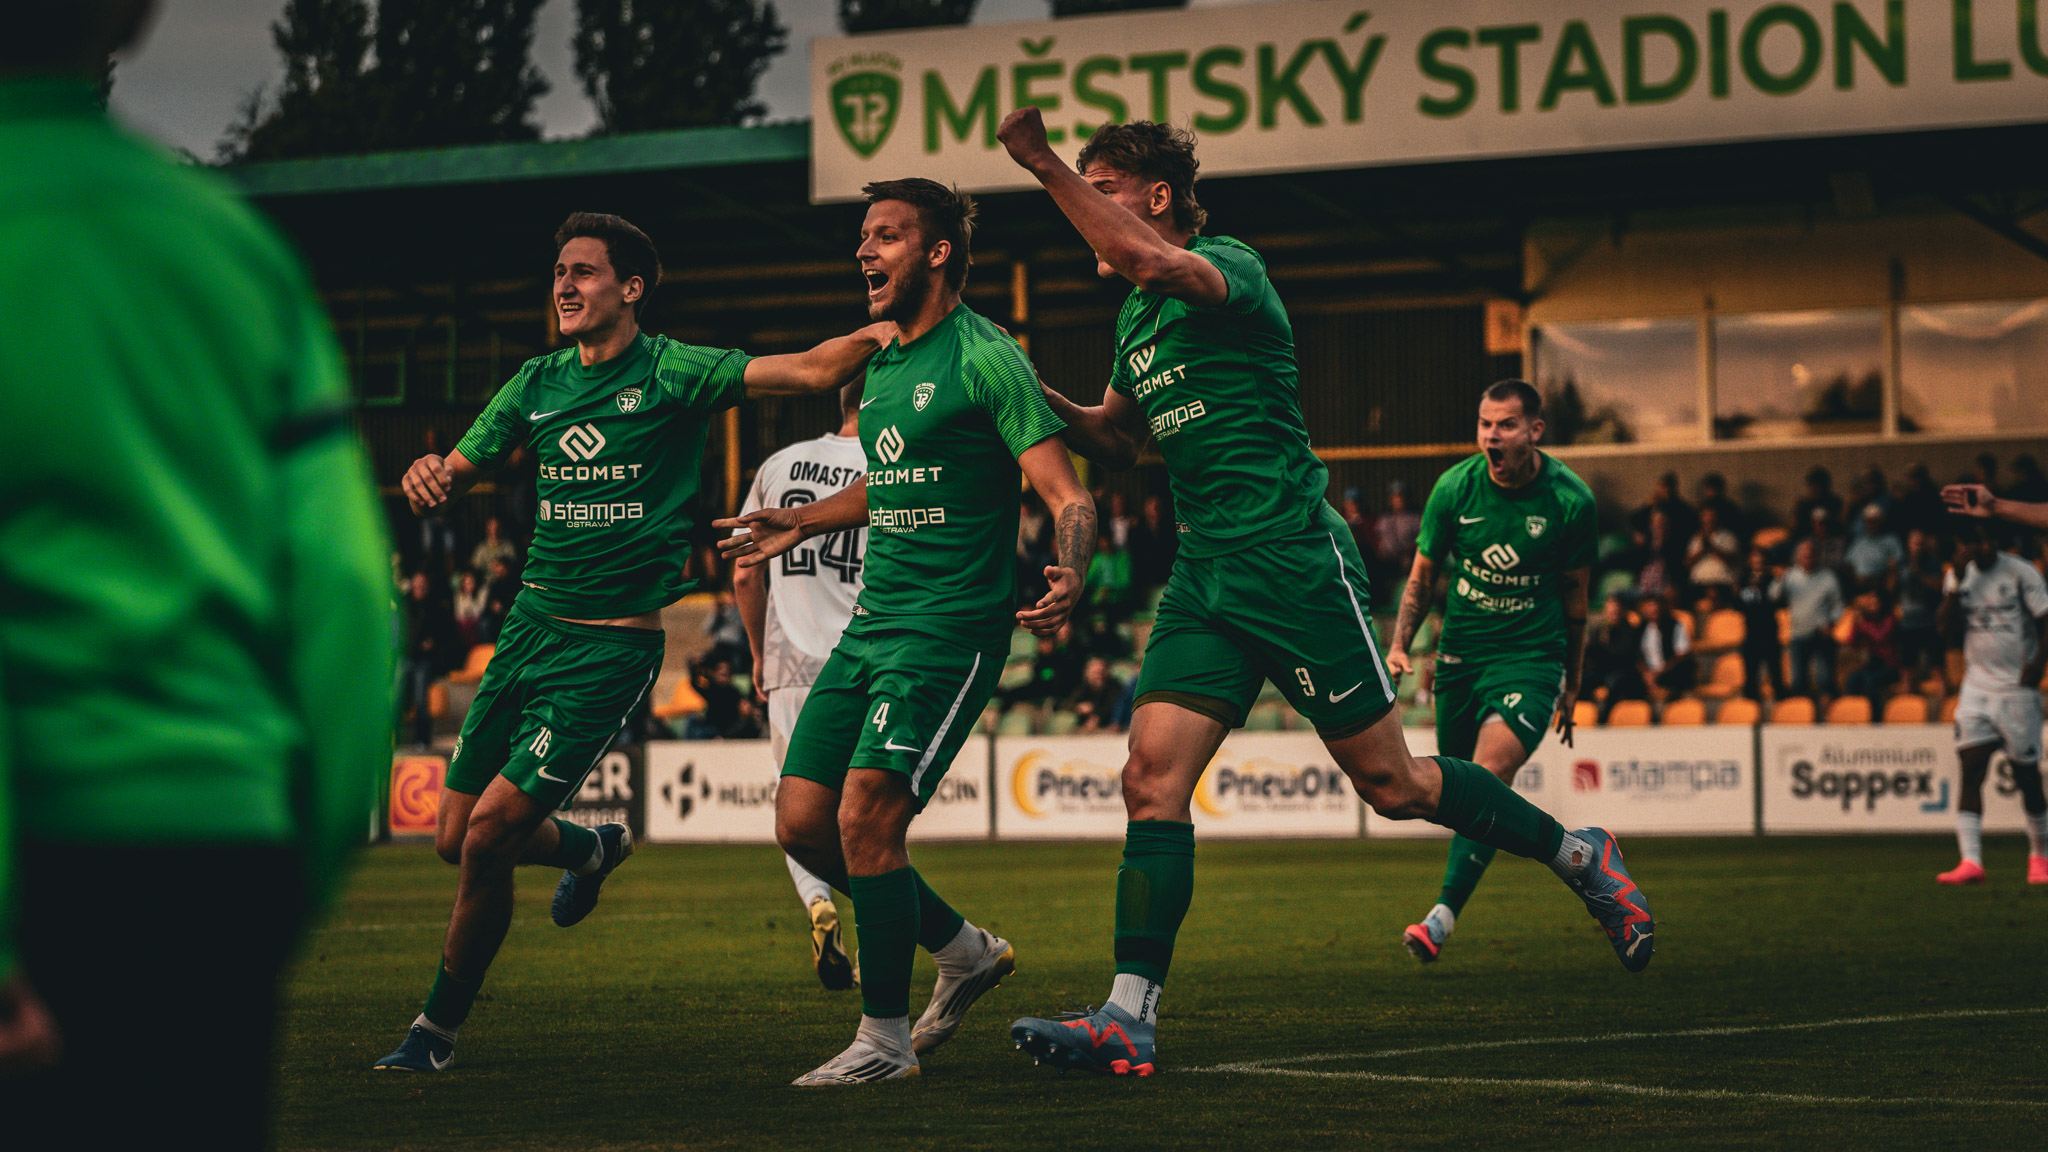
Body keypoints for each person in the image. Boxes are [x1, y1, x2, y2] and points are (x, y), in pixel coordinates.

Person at [995, 112, 1652, 1078]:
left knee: (1397, 787)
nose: (1087, 203)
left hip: (1295, 560)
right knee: (1151, 780)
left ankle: (1580, 856)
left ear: (1159, 196)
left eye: (1104, 185)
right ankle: (1127, 1016)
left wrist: (1043, 162)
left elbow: (1146, 261)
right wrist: (1026, 384)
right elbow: (1119, 441)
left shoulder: (1227, 267)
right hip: (1207, 577)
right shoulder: (1135, 320)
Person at [0, 5, 394, 1145]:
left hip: (41, 836)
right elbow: (341, 596)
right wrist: (280, 887)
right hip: (210, 859)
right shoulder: (233, 252)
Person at [375, 211, 886, 1073]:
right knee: (453, 834)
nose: (565, 286)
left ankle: (435, 1034)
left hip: (609, 648)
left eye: (583, 272)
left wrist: (899, 323)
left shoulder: (676, 370)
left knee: (493, 832)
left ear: (631, 288)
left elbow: (811, 368)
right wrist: (429, 479)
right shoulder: (535, 382)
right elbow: (453, 471)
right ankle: (588, 845)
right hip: (530, 629)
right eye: (559, 274)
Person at [720, 177, 1096, 1086]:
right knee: (803, 825)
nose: (864, 252)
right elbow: (896, 484)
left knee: (866, 819)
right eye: (862, 237)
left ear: (936, 253)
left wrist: (1073, 568)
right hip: (871, 627)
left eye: (884, 236)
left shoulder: (988, 357)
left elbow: (1066, 492)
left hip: (947, 633)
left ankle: (883, 1041)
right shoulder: (881, 364)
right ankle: (964, 951)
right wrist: (803, 522)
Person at [1385, 382, 1597, 962]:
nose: (1491, 437)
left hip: (1531, 658)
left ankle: (1440, 917)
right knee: (1454, 797)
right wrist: (1402, 645)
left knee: (1488, 772)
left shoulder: (1571, 501)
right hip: (1460, 655)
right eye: (1484, 424)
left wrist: (1571, 682)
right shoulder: (1456, 488)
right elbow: (1423, 579)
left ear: (1534, 431)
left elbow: (1576, 602)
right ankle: (1564, 857)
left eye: (1504, 425)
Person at [732, 381, 868, 991]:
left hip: (790, 661)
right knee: (866, 809)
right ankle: (890, 921)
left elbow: (743, 569)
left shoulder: (777, 465)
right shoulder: (892, 458)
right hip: (867, 652)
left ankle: (818, 901)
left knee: (796, 807)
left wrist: (761, 653)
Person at [1934, 522, 2048, 885]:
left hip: (2017, 690)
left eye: (1981, 541)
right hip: (1976, 689)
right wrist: (1954, 582)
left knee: (2027, 777)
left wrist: (2038, 664)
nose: (1976, 548)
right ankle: (1971, 862)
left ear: (1994, 541)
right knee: (1971, 769)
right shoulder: (1958, 577)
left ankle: (2040, 859)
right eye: (1968, 542)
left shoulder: (2020, 572)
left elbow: (2046, 621)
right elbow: (1944, 631)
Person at [1774, 538, 1844, 701]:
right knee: (1798, 681)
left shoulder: (1828, 577)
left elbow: (1839, 604)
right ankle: (1803, 717)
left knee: (1825, 680)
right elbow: (1774, 596)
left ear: (1817, 556)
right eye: (1804, 555)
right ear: (1798, 556)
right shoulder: (1791, 576)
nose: (1808, 557)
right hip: (1798, 634)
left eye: (1811, 554)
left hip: (1822, 634)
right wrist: (1780, 579)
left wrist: (1832, 622)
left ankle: (1828, 717)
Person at [1734, 549, 1785, 701]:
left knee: (1776, 673)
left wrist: (1761, 590)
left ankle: (1782, 707)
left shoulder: (1772, 579)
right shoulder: (1743, 580)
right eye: (1754, 559)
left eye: (1760, 560)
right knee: (1750, 675)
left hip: (1769, 631)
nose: (1758, 563)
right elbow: (1738, 605)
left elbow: (1777, 602)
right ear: (1749, 561)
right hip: (1751, 632)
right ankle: (1752, 707)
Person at [1588, 593, 1649, 719]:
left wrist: (1603, 649)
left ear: (1623, 611)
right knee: (1583, 680)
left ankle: (1604, 719)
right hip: (1602, 670)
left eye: (1616, 611)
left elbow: (1625, 656)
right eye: (1610, 611)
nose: (1613, 614)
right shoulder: (1599, 631)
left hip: (1623, 672)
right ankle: (1580, 716)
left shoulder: (1630, 631)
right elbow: (1591, 654)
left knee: (1614, 681)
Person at [1842, 590, 1901, 712]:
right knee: (1852, 679)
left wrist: (1862, 623)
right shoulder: (1866, 622)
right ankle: (1854, 713)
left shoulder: (1890, 619)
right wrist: (1855, 624)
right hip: (1873, 665)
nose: (1872, 607)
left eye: (1875, 603)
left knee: (1870, 681)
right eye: (1870, 604)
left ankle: (1875, 717)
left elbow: (1880, 636)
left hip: (1890, 667)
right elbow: (1852, 643)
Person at [1637, 594, 1696, 699]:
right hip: (1648, 673)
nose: (1654, 609)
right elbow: (1636, 655)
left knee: (1684, 667)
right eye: (1650, 606)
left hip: (1668, 670)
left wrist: (1659, 672)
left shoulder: (1675, 626)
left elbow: (1681, 655)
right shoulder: (1641, 628)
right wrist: (1646, 674)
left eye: (1656, 606)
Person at [1685, 504, 1742, 603]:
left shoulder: (1728, 537)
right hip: (1699, 584)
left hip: (1721, 584)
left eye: (1711, 515)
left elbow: (1731, 561)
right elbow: (1687, 563)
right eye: (1705, 515)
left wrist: (1711, 548)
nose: (1708, 519)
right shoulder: (1696, 538)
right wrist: (1702, 549)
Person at [1844, 504, 1904, 592]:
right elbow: (1848, 564)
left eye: (1874, 521)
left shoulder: (1891, 539)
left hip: (1880, 583)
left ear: (1881, 521)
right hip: (1858, 584)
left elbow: (1896, 565)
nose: (1870, 525)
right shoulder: (1858, 541)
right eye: (1868, 521)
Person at [1069, 656, 1129, 733]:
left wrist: (1097, 716)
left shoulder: (1115, 687)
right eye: (1095, 673)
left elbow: (1113, 706)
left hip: (1110, 727)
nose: (1099, 676)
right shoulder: (1082, 687)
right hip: (1085, 727)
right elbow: (1068, 703)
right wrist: (1078, 707)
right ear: (1087, 674)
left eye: (1101, 672)